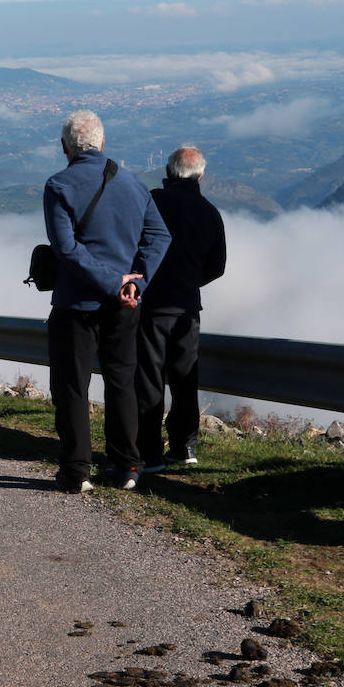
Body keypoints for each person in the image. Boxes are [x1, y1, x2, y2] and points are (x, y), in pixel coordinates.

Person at [43, 110, 170, 493]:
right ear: (103, 143)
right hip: (126, 307)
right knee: (122, 383)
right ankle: (127, 466)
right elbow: (159, 237)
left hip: (76, 305)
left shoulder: (58, 185)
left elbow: (65, 248)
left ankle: (77, 470)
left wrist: (112, 282)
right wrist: (135, 283)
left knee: (72, 387)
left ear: (65, 147)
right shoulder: (133, 183)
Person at [135, 146, 227, 472]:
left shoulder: (153, 201)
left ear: (169, 171)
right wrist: (190, 283)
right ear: (201, 175)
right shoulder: (210, 212)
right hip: (187, 308)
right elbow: (217, 267)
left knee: (149, 379)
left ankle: (149, 453)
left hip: (152, 305)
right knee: (185, 379)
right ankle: (184, 447)